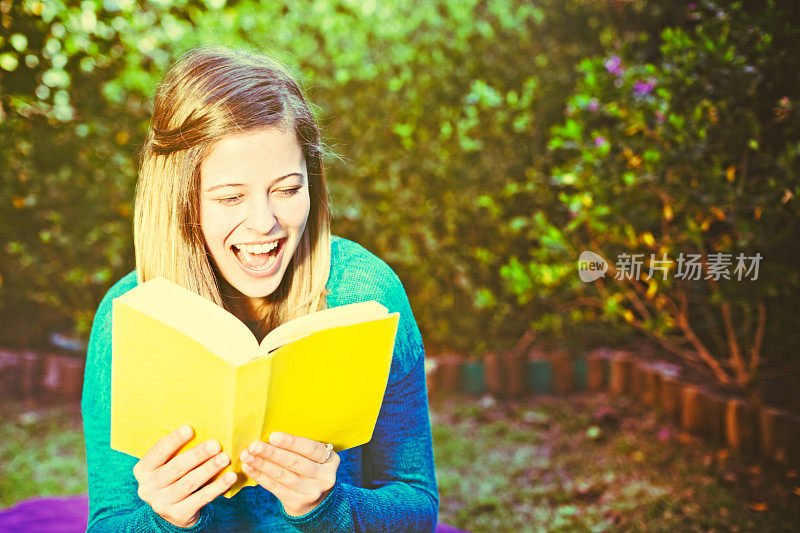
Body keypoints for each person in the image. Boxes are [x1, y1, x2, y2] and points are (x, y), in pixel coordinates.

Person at [81, 44, 439, 532]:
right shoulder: (126, 319)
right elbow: (108, 523)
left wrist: (327, 509)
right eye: (231, 197)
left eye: (288, 190)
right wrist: (164, 520)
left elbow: (417, 507)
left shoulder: (367, 295)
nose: (265, 223)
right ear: (182, 202)